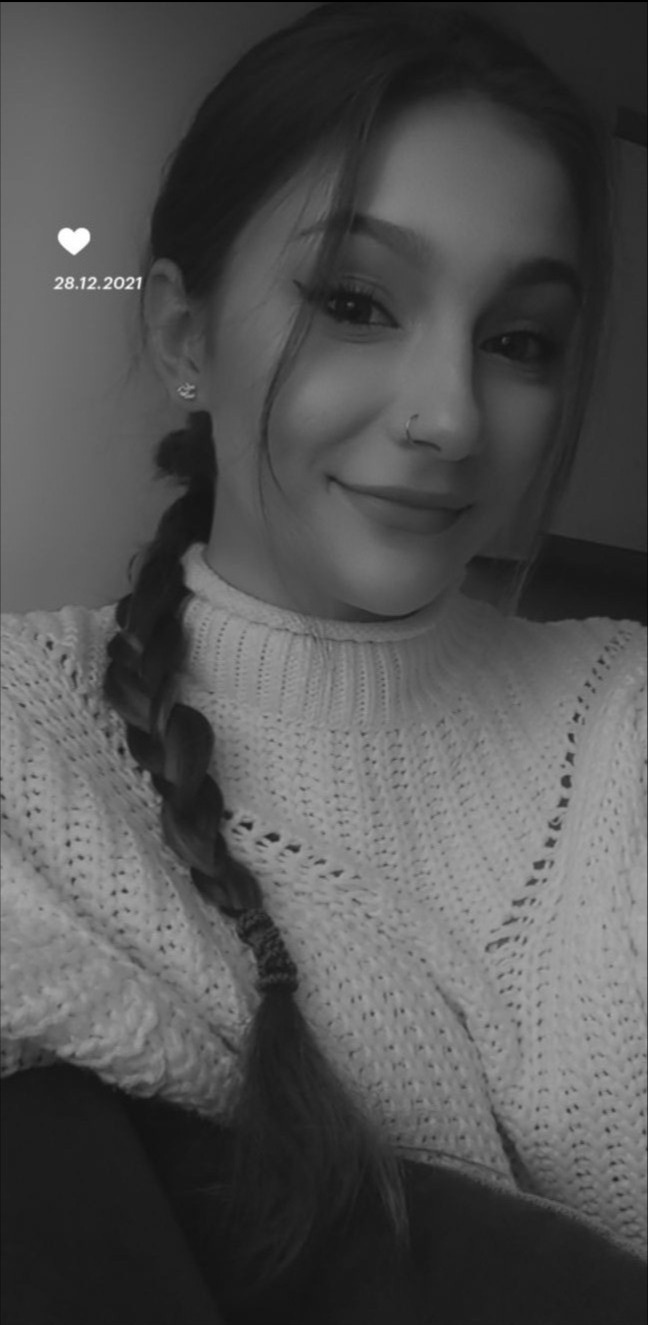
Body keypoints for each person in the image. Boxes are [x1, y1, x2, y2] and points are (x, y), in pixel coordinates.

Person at [1, 4, 646, 1322]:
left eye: (520, 339)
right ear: (183, 338)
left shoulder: (624, 710)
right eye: (355, 303)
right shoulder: (24, 742)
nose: (451, 416)